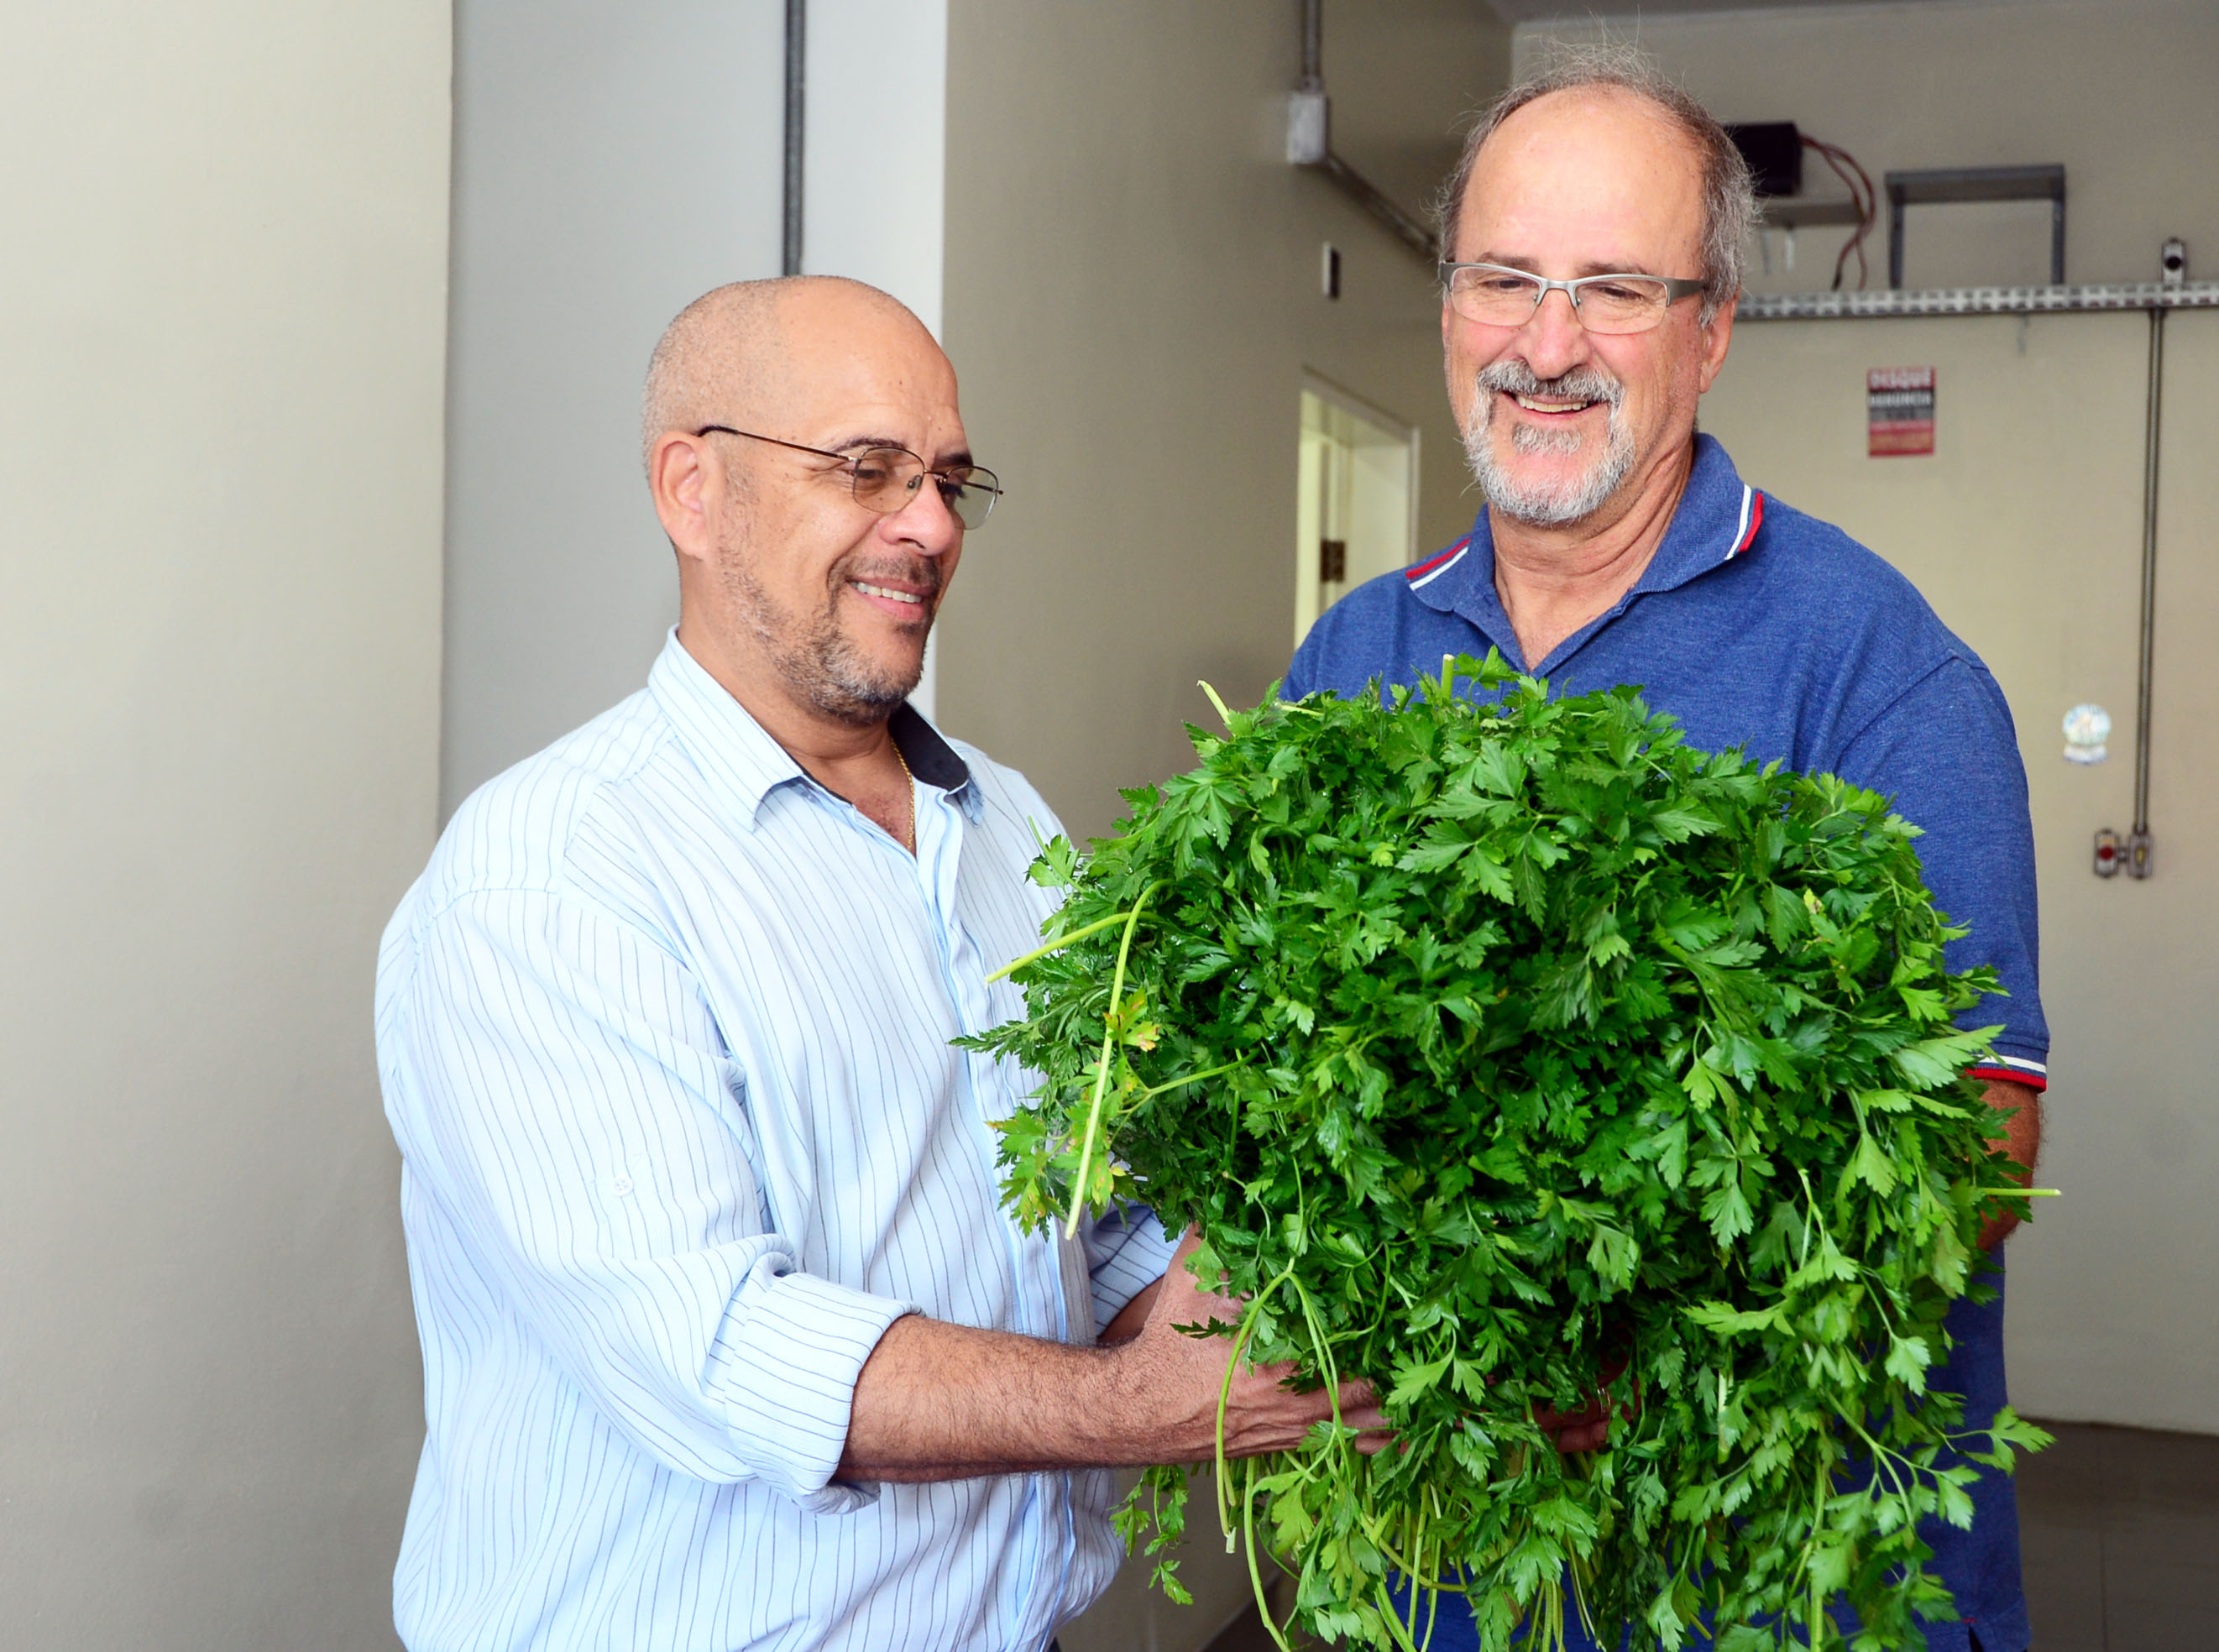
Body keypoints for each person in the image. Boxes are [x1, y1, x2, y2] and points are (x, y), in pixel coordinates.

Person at [375, 276, 1379, 1652]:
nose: (932, 526)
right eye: (867, 470)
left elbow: (1096, 1231)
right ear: (692, 491)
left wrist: (1323, 1327)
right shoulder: (551, 879)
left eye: (949, 480)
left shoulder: (1010, 828)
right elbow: (723, 1353)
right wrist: (1144, 1406)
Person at [1284, 54, 2048, 1652]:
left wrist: (1645, 1357)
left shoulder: (1876, 669)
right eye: (1504, 278)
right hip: (1447, 1578)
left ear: (1711, 330)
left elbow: (1976, 1146)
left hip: (1780, 1584)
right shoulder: (1353, 660)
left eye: (1616, 290)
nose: (1547, 344)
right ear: (1449, 307)